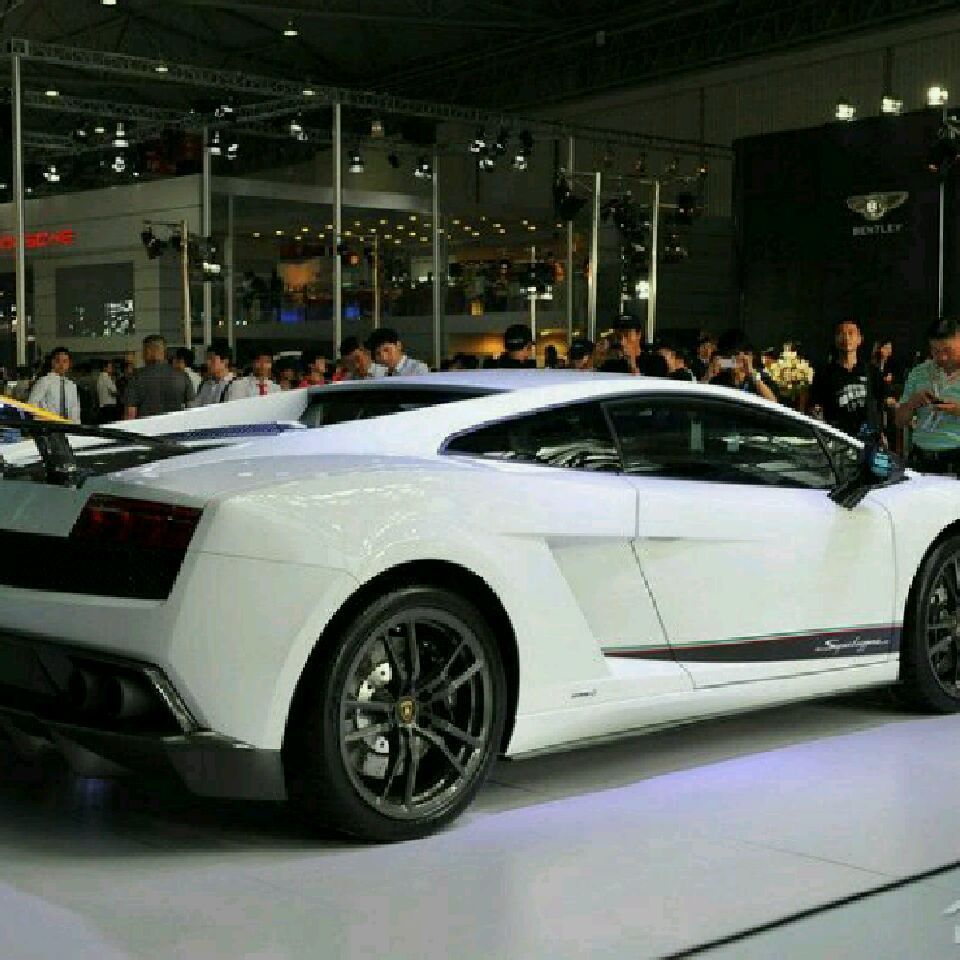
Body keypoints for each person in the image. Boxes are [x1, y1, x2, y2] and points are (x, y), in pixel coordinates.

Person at [896, 316, 960, 474]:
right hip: (921, 459)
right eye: (935, 351)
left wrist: (957, 410)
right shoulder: (919, 373)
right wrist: (912, 404)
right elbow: (899, 421)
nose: (942, 357)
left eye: (948, 350)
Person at [807, 319, 881, 437]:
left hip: (868, 438)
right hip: (838, 439)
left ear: (859, 339)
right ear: (835, 340)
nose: (846, 338)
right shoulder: (824, 374)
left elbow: (886, 401)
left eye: (851, 333)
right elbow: (814, 406)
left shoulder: (871, 371)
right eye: (841, 334)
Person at [123, 335, 194, 419]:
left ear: (149, 351)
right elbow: (191, 408)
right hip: (175, 425)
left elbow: (130, 414)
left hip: (147, 426)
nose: (142, 355)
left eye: (143, 351)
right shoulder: (182, 376)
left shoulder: (137, 377)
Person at [708, 329, 778, 402]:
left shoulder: (761, 377)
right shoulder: (720, 378)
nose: (735, 360)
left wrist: (753, 375)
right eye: (731, 355)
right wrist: (709, 375)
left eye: (744, 355)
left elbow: (773, 403)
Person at [28, 347, 80, 422]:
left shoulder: (71, 385)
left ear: (69, 364)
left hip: (67, 426)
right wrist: (47, 416)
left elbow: (75, 410)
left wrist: (75, 426)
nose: (61, 365)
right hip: (48, 425)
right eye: (58, 361)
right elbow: (31, 404)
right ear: (52, 362)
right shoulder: (44, 381)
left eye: (65, 361)